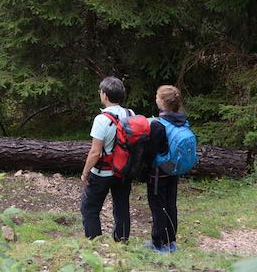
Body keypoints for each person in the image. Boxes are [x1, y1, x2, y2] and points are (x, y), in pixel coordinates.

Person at [80, 76, 132, 241]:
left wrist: (85, 172)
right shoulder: (130, 114)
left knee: (90, 208)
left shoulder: (101, 120)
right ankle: (122, 240)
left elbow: (95, 152)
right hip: (124, 171)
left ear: (105, 95)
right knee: (122, 206)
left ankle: (94, 242)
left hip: (103, 173)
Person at [142, 85, 187, 253]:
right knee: (170, 204)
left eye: (157, 96)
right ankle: (171, 241)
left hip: (158, 172)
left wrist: (143, 168)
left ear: (162, 102)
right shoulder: (182, 120)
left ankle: (158, 243)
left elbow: (150, 152)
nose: (155, 98)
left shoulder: (158, 124)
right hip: (173, 169)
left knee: (157, 206)